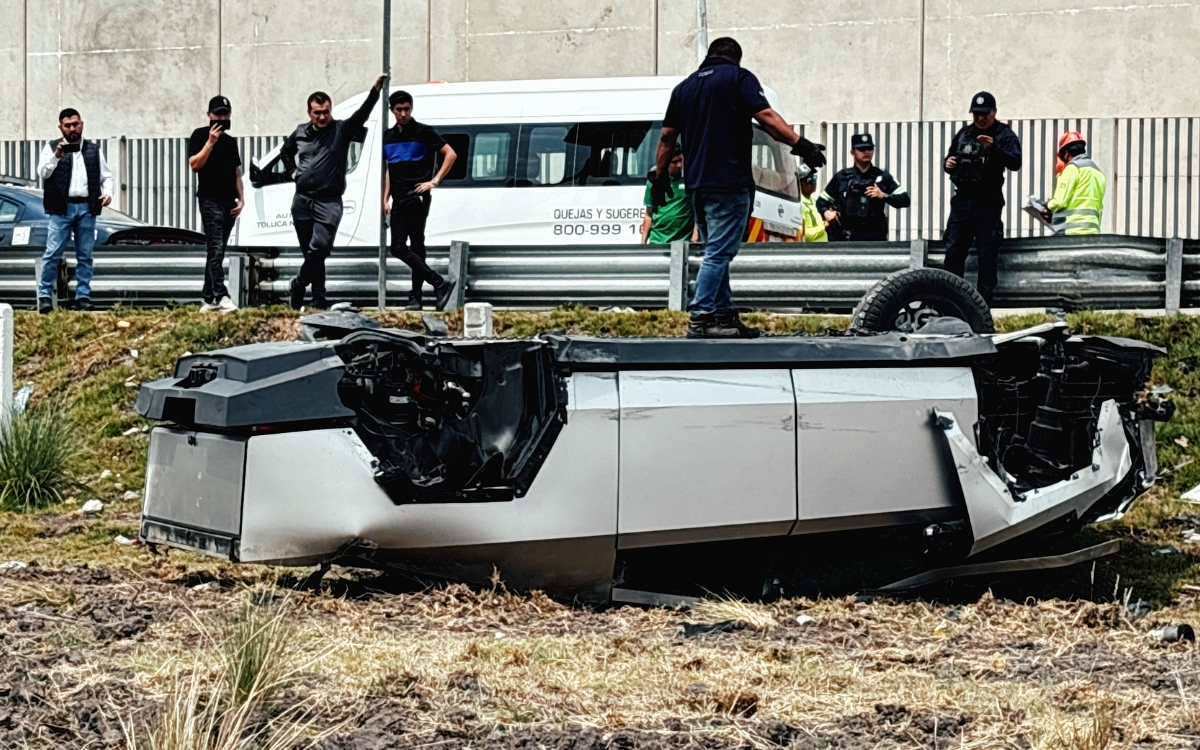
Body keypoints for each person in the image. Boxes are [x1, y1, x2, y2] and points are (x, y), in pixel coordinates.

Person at [655, 36, 826, 338]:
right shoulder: (738, 78)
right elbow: (768, 118)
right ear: (736, 58)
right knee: (719, 253)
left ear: (709, 56)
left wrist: (660, 178)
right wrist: (802, 145)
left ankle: (724, 317)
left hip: (695, 186)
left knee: (714, 251)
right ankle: (701, 316)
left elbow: (667, 138)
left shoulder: (683, 89)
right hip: (728, 181)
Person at [281, 73, 386, 310]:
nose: (322, 116)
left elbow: (362, 115)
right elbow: (285, 152)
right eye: (317, 112)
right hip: (302, 200)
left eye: (326, 111)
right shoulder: (300, 132)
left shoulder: (341, 129)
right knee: (312, 253)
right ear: (309, 113)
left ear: (331, 110)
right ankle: (318, 298)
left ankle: (298, 285)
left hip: (328, 201)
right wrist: (292, 172)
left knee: (321, 247)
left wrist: (375, 91)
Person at [941, 91, 1022, 306]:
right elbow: (951, 158)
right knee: (954, 252)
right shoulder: (964, 133)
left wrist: (993, 148)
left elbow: (1015, 162)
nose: (980, 118)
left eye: (985, 114)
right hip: (962, 201)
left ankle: (983, 305)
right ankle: (951, 303)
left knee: (987, 253)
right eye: (976, 114)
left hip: (988, 202)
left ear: (994, 113)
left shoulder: (1003, 134)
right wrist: (947, 163)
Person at [381, 90, 458, 311]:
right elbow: (390, 169)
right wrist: (385, 198)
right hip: (398, 198)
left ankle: (416, 296)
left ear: (411, 108)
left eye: (407, 109)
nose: (403, 113)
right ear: (392, 110)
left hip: (417, 196)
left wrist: (434, 181)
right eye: (399, 110)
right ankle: (439, 283)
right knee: (398, 247)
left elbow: (450, 154)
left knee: (415, 244)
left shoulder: (424, 132)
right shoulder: (388, 136)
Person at [36, 108, 114, 314]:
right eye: (67, 125)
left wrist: (107, 193)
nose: (72, 128)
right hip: (61, 208)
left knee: (85, 255)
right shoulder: (52, 147)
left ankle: (83, 296)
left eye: (75, 124)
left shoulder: (93, 149)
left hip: (87, 207)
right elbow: (43, 172)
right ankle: (44, 295)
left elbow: (106, 176)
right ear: (60, 127)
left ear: (82, 124)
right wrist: (56, 156)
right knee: (52, 253)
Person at [188, 95, 243, 313]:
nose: (221, 118)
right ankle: (221, 295)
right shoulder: (200, 135)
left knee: (217, 250)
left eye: (225, 114)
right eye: (217, 114)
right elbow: (194, 164)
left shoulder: (230, 142)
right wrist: (210, 143)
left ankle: (208, 298)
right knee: (216, 247)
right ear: (209, 115)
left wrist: (241, 198)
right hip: (210, 199)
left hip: (228, 200)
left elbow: (236, 171)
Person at [817, 133, 909, 241]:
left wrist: (884, 196)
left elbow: (905, 199)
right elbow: (821, 201)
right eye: (861, 149)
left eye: (869, 148)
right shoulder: (841, 177)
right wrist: (826, 212)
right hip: (847, 238)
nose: (866, 152)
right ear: (852, 152)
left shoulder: (882, 176)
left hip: (875, 238)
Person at [1044, 131, 1106, 235]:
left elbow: (1060, 201)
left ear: (1067, 153)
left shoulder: (1072, 169)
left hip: (1071, 232)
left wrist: (1047, 205)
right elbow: (1099, 208)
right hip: (1093, 232)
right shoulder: (1099, 174)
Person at [640, 145, 696, 244]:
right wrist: (643, 243)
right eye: (674, 162)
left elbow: (698, 214)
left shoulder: (690, 181)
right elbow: (649, 215)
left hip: (682, 244)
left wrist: (694, 240)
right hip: (657, 242)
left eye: (681, 160)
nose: (679, 165)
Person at [797, 164, 827, 243]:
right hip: (812, 251)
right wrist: (824, 226)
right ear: (800, 183)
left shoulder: (815, 200)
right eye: (809, 180)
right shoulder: (799, 205)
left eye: (814, 178)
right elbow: (806, 234)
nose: (813, 183)